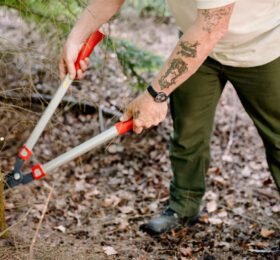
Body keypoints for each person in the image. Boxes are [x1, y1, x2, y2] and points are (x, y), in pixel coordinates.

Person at [59, 0, 280, 236]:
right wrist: (76, 38)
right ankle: (183, 206)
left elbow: (212, 28)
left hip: (262, 49)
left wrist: (155, 95)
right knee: (187, 131)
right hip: (197, 48)